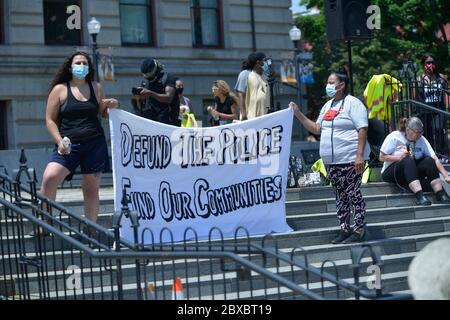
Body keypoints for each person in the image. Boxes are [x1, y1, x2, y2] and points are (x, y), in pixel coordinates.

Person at [290, 68, 371, 244]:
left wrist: (359, 155)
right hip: (331, 162)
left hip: (350, 159)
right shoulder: (328, 106)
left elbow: (362, 129)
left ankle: (359, 230)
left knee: (353, 194)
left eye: (331, 82)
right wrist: (298, 114)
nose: (327, 85)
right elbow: (317, 129)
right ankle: (344, 229)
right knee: (340, 196)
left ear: (341, 85)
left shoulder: (353, 103)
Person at [40, 51, 118, 224]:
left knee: (91, 188)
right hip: (68, 145)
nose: (81, 66)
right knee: (50, 178)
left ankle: (90, 229)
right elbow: (50, 120)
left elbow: (103, 114)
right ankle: (44, 224)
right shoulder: (60, 89)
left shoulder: (96, 87)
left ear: (89, 67)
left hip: (95, 143)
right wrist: (59, 141)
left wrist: (111, 105)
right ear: (70, 66)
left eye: (84, 63)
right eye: (78, 63)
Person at [379, 117, 450, 205]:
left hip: (410, 172)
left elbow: (435, 158)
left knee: (429, 161)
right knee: (408, 159)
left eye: (421, 132)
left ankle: (440, 193)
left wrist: (446, 175)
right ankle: (419, 195)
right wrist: (399, 157)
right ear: (408, 130)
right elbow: (381, 157)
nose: (420, 135)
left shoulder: (422, 139)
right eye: (417, 132)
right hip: (391, 172)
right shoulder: (394, 136)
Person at [415, 53, 449, 155]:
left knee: (438, 129)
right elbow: (414, 98)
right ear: (423, 64)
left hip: (438, 110)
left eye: (432, 62)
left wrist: (446, 106)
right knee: (428, 134)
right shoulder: (419, 79)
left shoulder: (441, 77)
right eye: (428, 62)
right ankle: (430, 154)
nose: (430, 65)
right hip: (425, 111)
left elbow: (447, 91)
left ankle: (441, 153)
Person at [132, 58, 180, 126]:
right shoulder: (145, 82)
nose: (149, 79)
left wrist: (150, 93)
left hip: (168, 123)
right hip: (151, 123)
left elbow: (168, 98)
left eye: (150, 77)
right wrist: (138, 97)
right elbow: (142, 105)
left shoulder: (167, 78)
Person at [245, 52, 271, 120]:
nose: (267, 63)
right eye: (265, 60)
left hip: (266, 113)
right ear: (258, 63)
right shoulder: (251, 76)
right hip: (255, 115)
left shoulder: (264, 76)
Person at [234, 54, 254, 121]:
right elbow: (241, 95)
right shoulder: (245, 74)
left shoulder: (261, 75)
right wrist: (243, 114)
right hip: (249, 113)